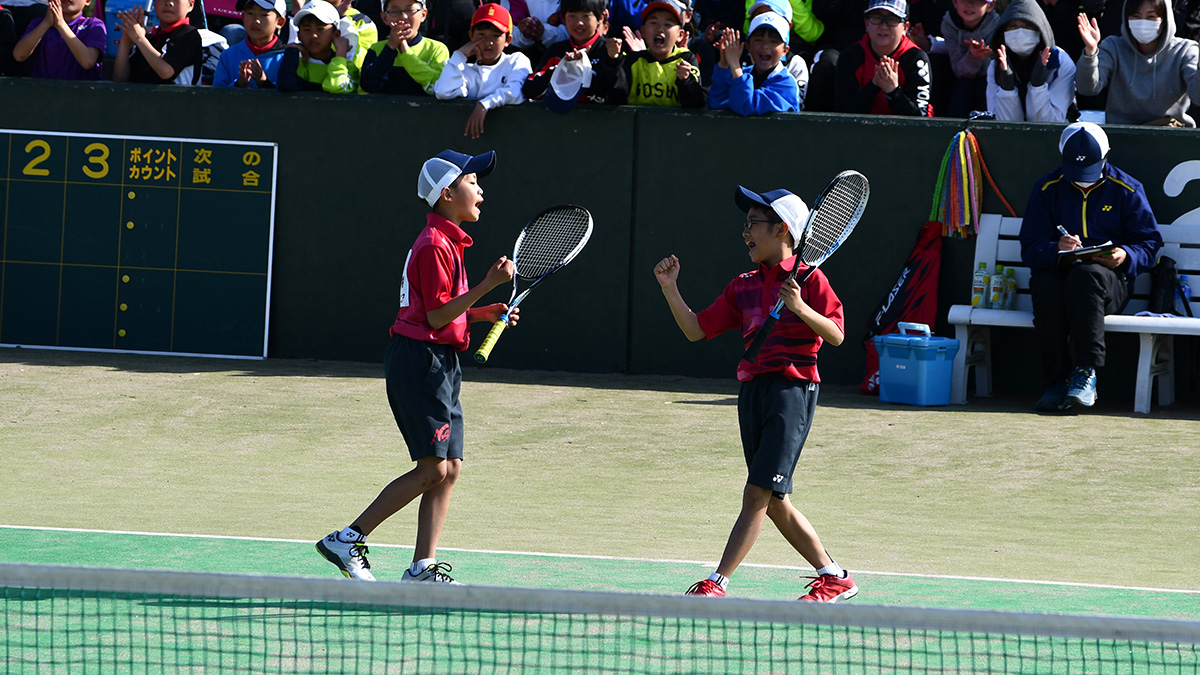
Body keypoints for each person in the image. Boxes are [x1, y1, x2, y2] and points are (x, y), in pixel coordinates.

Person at [316, 149, 518, 583]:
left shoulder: (449, 241)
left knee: (452, 468)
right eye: (471, 182)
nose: (480, 189)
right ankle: (348, 537)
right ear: (446, 194)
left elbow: (437, 309)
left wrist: (484, 312)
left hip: (441, 361)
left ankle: (422, 567)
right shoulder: (432, 245)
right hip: (419, 361)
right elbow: (435, 317)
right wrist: (488, 284)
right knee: (433, 469)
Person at [653, 186, 857, 603]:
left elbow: (835, 335)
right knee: (774, 498)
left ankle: (717, 582)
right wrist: (669, 287)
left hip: (792, 391)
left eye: (753, 223)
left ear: (783, 230)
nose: (745, 231)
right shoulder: (742, 285)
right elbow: (696, 329)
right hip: (752, 393)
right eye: (745, 223)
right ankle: (834, 576)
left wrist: (800, 307)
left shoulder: (812, 280)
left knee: (756, 493)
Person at [1019, 122, 1163, 412]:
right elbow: (1030, 247)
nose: (1083, 180)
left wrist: (1124, 255)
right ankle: (1055, 381)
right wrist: (1055, 248)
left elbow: (1150, 243)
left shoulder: (1127, 188)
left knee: (1086, 276)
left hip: (1109, 285)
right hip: (1059, 277)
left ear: (1106, 156)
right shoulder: (1047, 188)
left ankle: (1086, 372)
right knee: (1045, 285)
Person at [1076, 0, 1200, 125]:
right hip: (1122, 134)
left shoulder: (1185, 50)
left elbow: (1197, 97)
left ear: (1165, 19)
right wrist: (1090, 53)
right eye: (1136, 16)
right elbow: (1087, 89)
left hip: (1170, 134)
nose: (1142, 22)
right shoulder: (1113, 46)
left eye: (1151, 16)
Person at [433, 3, 531, 138]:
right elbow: (442, 92)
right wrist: (459, 54)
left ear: (508, 39)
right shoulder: (465, 70)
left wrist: (484, 104)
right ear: (471, 36)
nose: (488, 42)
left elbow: (515, 92)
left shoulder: (517, 60)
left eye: (496, 35)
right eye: (481, 35)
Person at [522, 0, 626, 110]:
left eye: (586, 16)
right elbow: (530, 91)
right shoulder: (557, 51)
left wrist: (612, 60)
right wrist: (560, 70)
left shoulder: (610, 51)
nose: (579, 22)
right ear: (563, 18)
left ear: (601, 17)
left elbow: (618, 97)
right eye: (572, 16)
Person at [835, 0, 934, 115]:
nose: (883, 26)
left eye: (892, 20)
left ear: (905, 28)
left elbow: (920, 119)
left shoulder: (916, 59)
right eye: (877, 18)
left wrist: (893, 91)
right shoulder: (850, 56)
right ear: (867, 24)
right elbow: (843, 112)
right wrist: (874, 85)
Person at [604, 0, 707, 107]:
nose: (659, 29)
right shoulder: (633, 61)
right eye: (653, 23)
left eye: (667, 24)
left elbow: (698, 104)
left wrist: (686, 81)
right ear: (643, 31)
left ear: (680, 35)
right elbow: (616, 99)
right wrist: (613, 60)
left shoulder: (687, 60)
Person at [986, 0, 1076, 121]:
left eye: (1028, 26)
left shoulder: (1060, 63)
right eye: (1013, 26)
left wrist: (1037, 85)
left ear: (1041, 30)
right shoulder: (997, 65)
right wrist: (1007, 87)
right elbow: (1005, 125)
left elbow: (1050, 123)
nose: (1020, 32)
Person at [709, 11, 802, 113]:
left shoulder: (787, 84)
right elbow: (717, 103)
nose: (765, 46)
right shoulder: (743, 74)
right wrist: (724, 64)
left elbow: (745, 105)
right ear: (748, 46)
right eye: (758, 40)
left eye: (773, 41)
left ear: (785, 50)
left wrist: (735, 66)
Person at [360, 0, 448, 94]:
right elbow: (368, 86)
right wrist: (390, 48)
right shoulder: (376, 49)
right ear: (385, 18)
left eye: (410, 10)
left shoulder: (436, 49)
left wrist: (406, 52)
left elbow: (440, 87)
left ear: (423, 15)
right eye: (395, 11)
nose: (403, 17)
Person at [112, 0, 204, 84]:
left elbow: (166, 72)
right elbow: (120, 79)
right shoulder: (149, 37)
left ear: (190, 5)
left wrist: (139, 39)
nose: (169, 3)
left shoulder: (189, 35)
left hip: (177, 101)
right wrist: (126, 39)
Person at [278, 0, 361, 92]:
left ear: (336, 34)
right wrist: (292, 50)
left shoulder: (348, 67)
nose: (313, 35)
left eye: (321, 29)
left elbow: (335, 86)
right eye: (306, 29)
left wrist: (340, 55)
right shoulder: (295, 63)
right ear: (298, 35)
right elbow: (286, 84)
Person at [11, 0, 104, 79]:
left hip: (83, 95)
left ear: (87, 1)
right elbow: (19, 55)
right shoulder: (38, 24)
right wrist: (46, 24)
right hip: (44, 93)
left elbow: (88, 62)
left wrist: (61, 25)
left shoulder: (94, 25)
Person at [940, 0, 999, 115]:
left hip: (988, 81)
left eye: (978, 1)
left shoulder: (998, 26)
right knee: (961, 89)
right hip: (962, 80)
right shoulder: (948, 24)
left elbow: (995, 71)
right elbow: (958, 70)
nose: (970, 4)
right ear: (955, 2)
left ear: (990, 5)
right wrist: (973, 57)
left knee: (987, 87)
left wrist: (983, 57)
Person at [213, 0, 288, 87]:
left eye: (264, 14)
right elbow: (217, 97)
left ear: (280, 22)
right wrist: (238, 84)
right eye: (250, 13)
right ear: (243, 17)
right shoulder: (228, 56)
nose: (256, 21)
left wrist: (265, 84)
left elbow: (293, 97)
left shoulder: (288, 58)